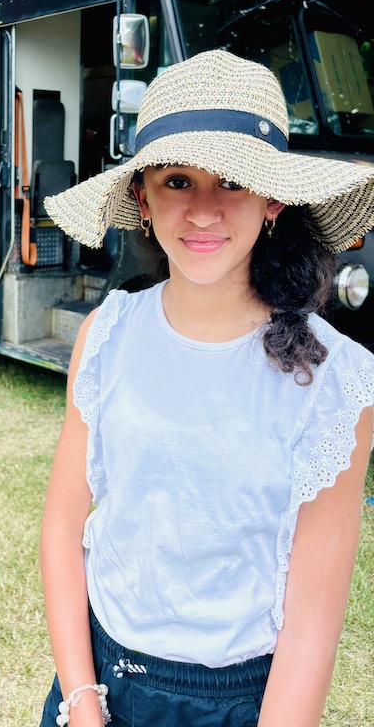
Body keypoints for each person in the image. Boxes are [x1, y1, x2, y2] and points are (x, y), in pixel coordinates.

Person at [38, 50, 374, 727]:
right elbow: (64, 524)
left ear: (274, 198)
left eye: (235, 182)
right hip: (97, 680)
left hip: (239, 705)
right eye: (178, 180)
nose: (204, 211)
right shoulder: (104, 336)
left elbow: (311, 626)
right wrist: (81, 701)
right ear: (142, 195)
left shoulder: (337, 382)